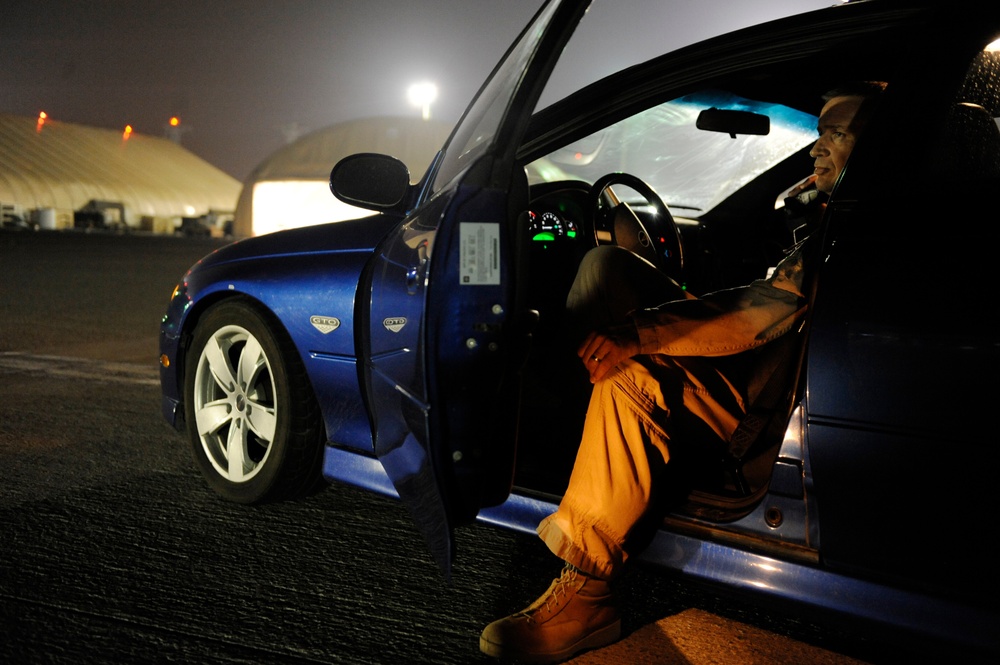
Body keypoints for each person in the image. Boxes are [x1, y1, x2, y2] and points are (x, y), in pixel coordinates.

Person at [479, 81, 886, 664]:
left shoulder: (852, 227)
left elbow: (764, 312)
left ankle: (589, 594)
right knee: (606, 265)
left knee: (627, 375)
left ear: (879, 149)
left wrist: (640, 333)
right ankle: (593, 443)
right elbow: (754, 301)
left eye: (837, 135)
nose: (818, 149)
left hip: (754, 410)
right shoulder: (825, 214)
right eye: (818, 135)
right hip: (754, 374)